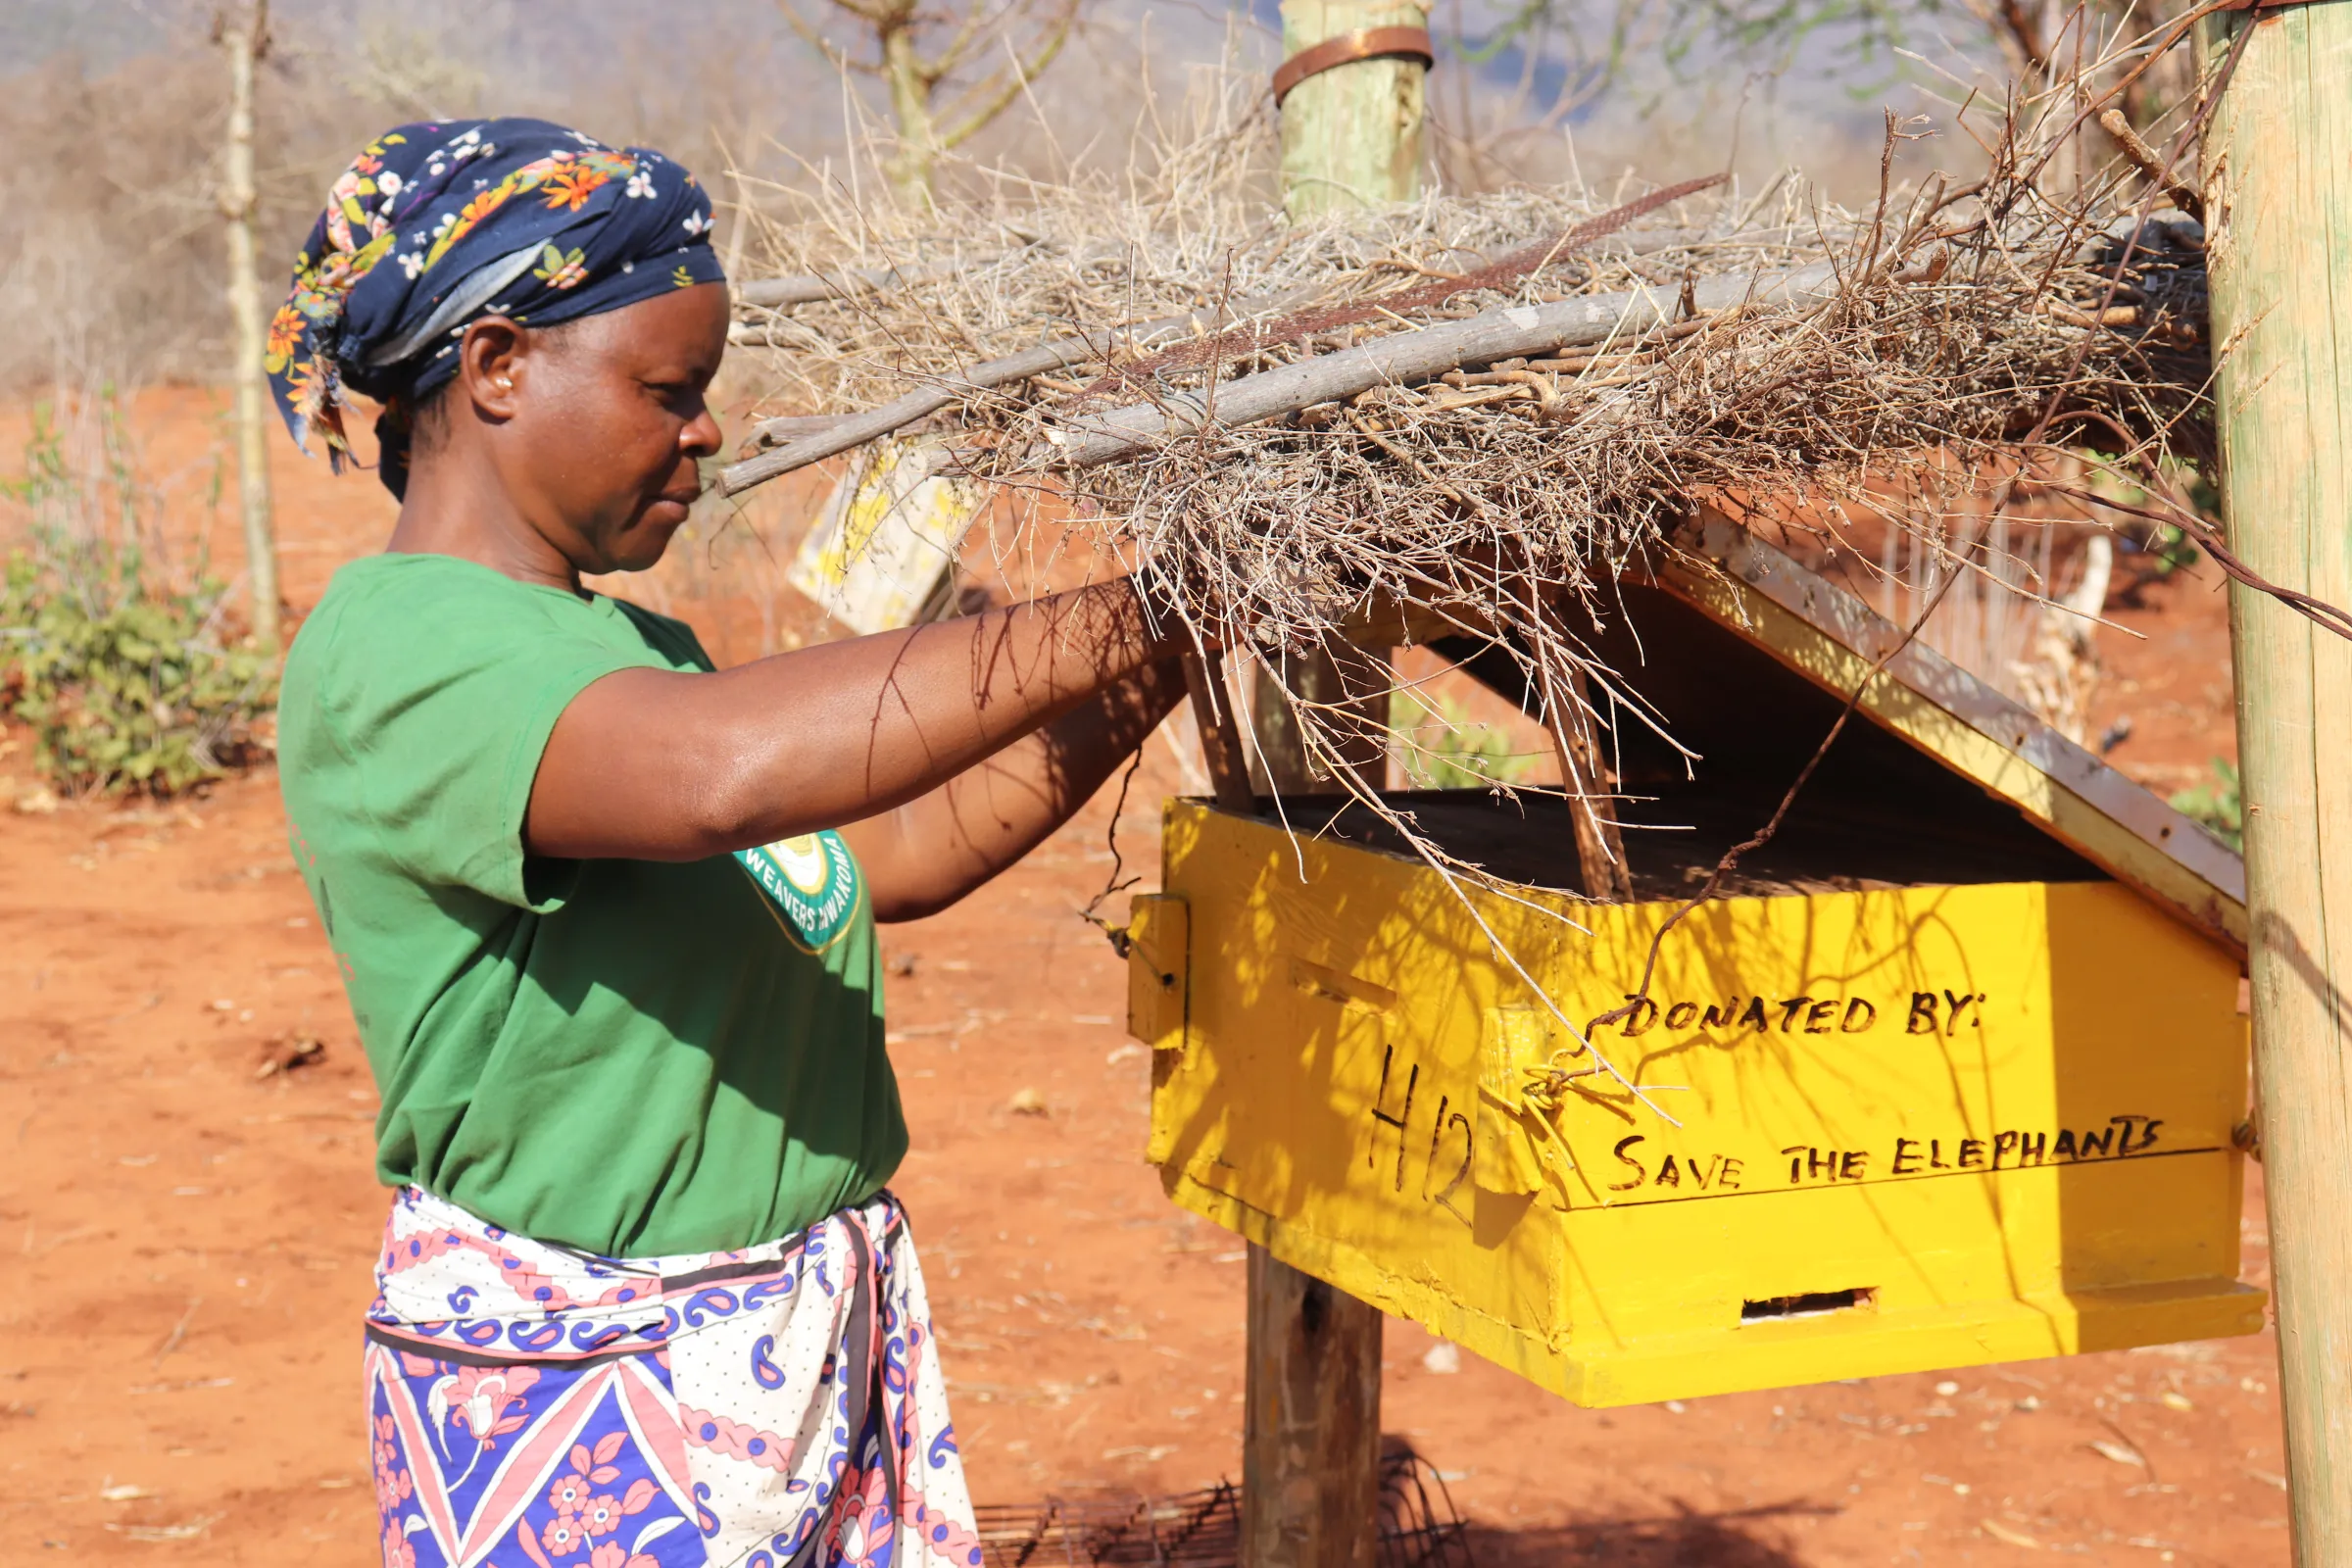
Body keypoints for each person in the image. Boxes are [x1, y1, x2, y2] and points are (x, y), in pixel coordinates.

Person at [267, 119, 1190, 1568]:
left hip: (790, 1332)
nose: (706, 432)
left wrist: (1175, 638)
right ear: (499, 366)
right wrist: (1127, 610)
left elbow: (890, 860)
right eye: (666, 389)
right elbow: (722, 782)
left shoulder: (628, 648)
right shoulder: (402, 649)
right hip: (598, 1380)